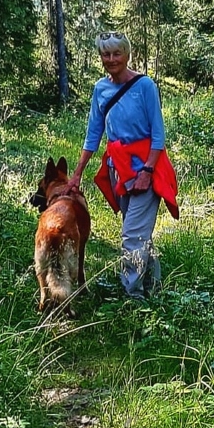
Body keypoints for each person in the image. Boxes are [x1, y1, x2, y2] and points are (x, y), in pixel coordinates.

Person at [65, 31, 179, 301]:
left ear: (127, 55)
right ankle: (155, 286)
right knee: (138, 233)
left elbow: (158, 135)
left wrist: (147, 171)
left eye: (117, 53)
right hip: (120, 169)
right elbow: (93, 134)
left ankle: (133, 297)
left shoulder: (145, 86)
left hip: (146, 169)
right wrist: (77, 173)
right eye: (106, 54)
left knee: (131, 236)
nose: (111, 59)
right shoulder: (101, 89)